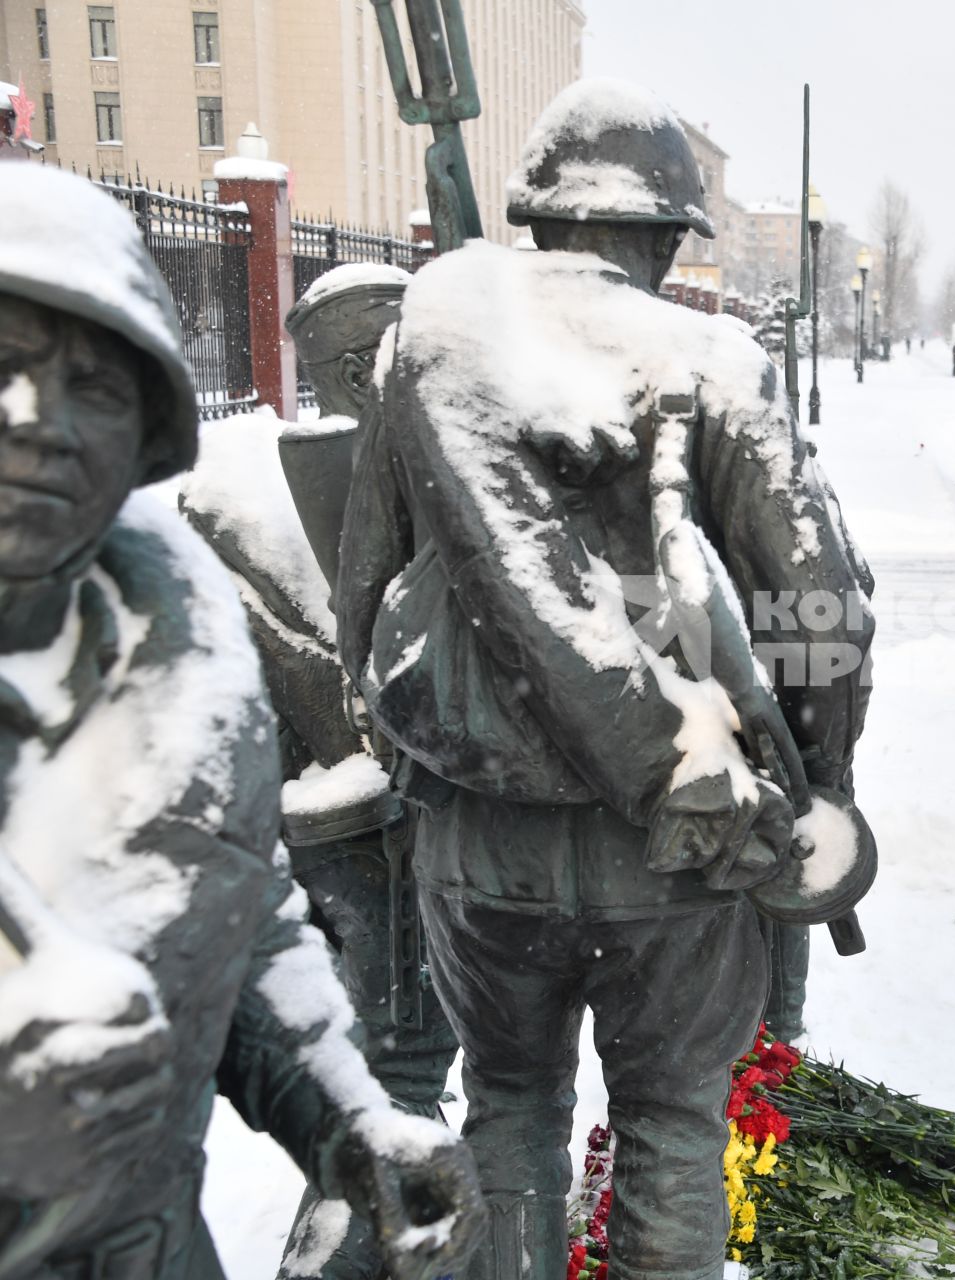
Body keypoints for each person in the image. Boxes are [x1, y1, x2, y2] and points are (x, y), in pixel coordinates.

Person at [335, 81, 875, 1280]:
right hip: (683, 836)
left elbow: (362, 583)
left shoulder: (432, 344)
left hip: (478, 836)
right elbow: (818, 605)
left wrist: (412, 747)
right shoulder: (716, 359)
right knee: (674, 1121)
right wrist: (823, 774)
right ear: (671, 232)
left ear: (539, 217)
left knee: (512, 1107)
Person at [0, 162, 481, 1280]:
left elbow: (243, 918)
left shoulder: (166, 636)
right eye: (5, 367)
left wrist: (347, 1121)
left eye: (99, 387)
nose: (46, 424)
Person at [178, 263, 467, 1280]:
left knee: (389, 1079)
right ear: (361, 363)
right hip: (381, 832)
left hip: (314, 840)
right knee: (401, 1077)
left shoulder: (224, 497)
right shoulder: (361, 479)